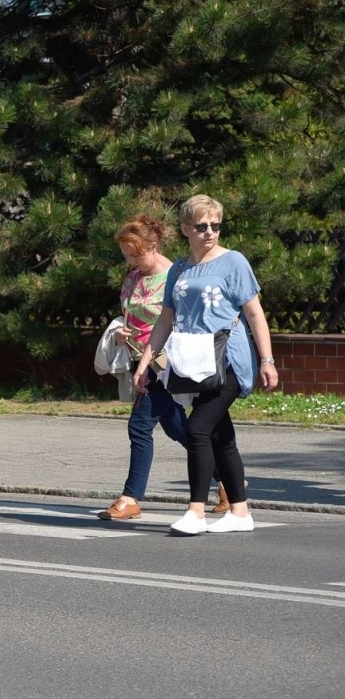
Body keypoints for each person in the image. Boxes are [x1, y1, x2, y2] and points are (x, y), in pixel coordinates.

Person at [131, 195, 279, 535]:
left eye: (215, 225)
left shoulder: (234, 262)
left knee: (197, 429)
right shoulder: (179, 269)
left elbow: (255, 313)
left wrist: (267, 359)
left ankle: (195, 511)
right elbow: (166, 320)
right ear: (185, 229)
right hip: (193, 360)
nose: (210, 232)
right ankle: (240, 513)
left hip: (227, 358)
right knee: (221, 436)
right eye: (201, 226)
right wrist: (145, 361)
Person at [99, 215, 227, 521]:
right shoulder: (134, 277)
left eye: (136, 253)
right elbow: (132, 314)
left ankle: (130, 498)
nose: (130, 260)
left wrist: (152, 363)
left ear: (153, 246)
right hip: (139, 360)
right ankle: (228, 481)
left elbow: (178, 323)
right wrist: (121, 332)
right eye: (126, 254)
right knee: (178, 428)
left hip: (164, 361)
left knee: (139, 425)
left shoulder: (173, 276)